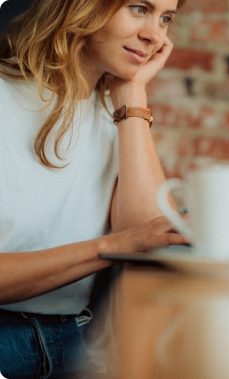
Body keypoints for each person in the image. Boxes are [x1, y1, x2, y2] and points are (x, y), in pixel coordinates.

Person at [0, 0, 188, 377]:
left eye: (165, 18)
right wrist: (107, 248)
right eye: (139, 8)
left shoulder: (115, 114)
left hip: (75, 337)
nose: (154, 35)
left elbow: (147, 235)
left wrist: (133, 96)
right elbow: (128, 241)